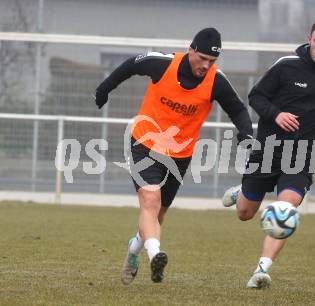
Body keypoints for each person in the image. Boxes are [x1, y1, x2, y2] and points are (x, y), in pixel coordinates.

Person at [94, 27, 253, 284]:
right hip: (144, 142)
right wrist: (104, 88)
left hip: (180, 155)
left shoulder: (216, 80)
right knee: (150, 199)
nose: (206, 65)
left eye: (212, 61)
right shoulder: (162, 64)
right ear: (191, 50)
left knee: (158, 214)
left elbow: (238, 110)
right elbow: (131, 65)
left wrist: (246, 133)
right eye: (202, 58)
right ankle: (155, 254)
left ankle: (135, 248)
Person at [222, 20, 315, 289]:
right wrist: (276, 114)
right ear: (309, 38)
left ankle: (261, 270)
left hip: (305, 152)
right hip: (269, 148)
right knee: (245, 213)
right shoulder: (286, 65)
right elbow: (256, 97)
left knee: (285, 209)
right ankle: (242, 192)